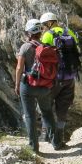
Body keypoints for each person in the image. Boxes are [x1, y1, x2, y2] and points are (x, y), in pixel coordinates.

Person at [14, 18, 58, 153]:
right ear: (40, 32)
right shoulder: (45, 46)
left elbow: (19, 67)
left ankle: (34, 147)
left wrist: (16, 85)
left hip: (27, 85)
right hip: (45, 85)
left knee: (29, 116)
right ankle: (56, 143)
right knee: (47, 113)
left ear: (29, 32)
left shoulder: (25, 47)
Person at [38, 9, 80, 149]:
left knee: (47, 107)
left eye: (44, 25)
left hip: (54, 78)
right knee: (62, 108)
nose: (43, 28)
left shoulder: (48, 35)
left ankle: (46, 137)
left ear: (50, 23)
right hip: (70, 77)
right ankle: (59, 138)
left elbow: (41, 57)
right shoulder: (70, 33)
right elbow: (77, 51)